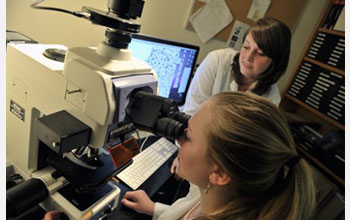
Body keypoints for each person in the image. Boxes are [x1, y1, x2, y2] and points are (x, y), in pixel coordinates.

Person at [121, 92, 316, 220]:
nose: (178, 140)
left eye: (187, 136)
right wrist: (153, 208)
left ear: (220, 175)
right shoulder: (211, 194)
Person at [183, 17, 291, 116]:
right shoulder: (217, 60)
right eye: (246, 47)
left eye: (260, 53)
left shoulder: (271, 97)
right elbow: (191, 113)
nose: (248, 57)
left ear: (275, 61)